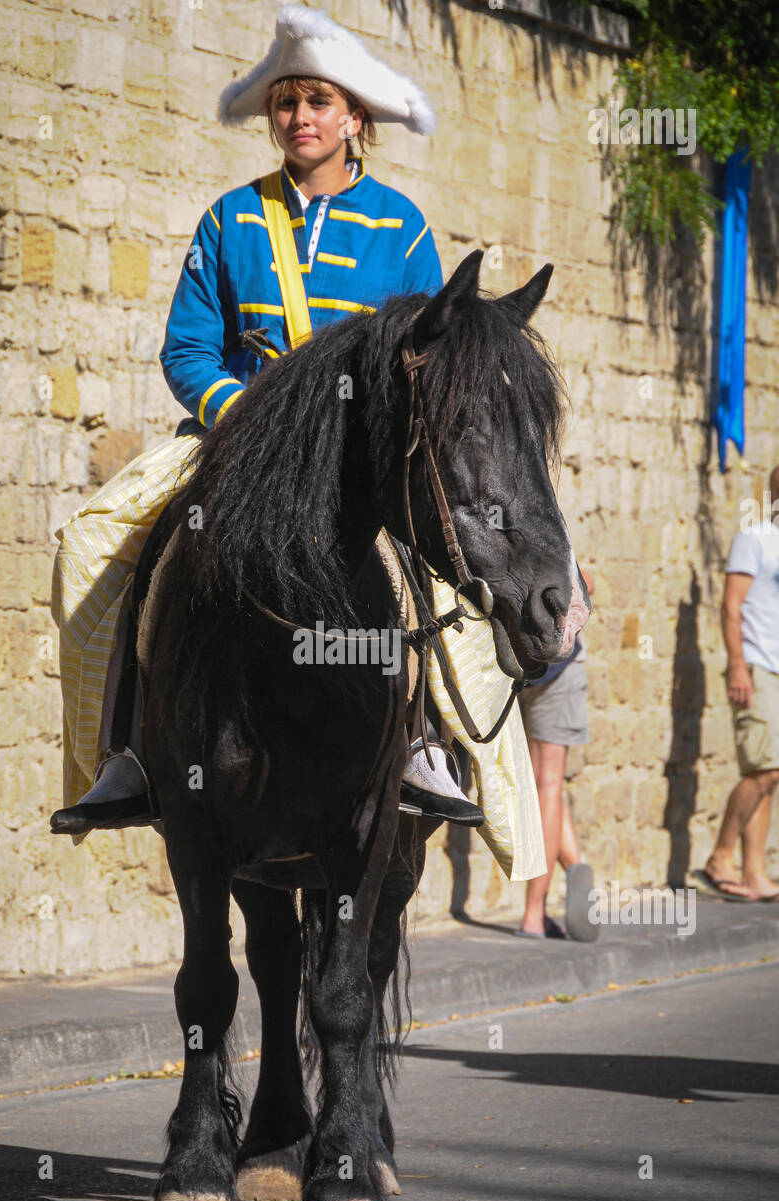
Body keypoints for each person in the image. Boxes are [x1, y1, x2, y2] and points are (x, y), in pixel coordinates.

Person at [49, 5, 484, 838]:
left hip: (355, 460)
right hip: (233, 442)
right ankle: (125, 753)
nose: (299, 118)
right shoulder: (229, 218)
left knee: (439, 562)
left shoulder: (404, 228)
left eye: (318, 102)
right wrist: (249, 417)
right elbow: (186, 351)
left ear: (355, 119)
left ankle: (427, 741)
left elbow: (430, 357)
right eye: (287, 103)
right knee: (97, 541)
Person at [700, 467, 779, 902]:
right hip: (757, 667)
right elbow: (732, 607)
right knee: (766, 769)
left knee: (765, 775)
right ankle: (721, 857)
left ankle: (755, 873)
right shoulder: (755, 539)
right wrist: (737, 666)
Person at [514, 567, 596, 938]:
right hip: (549, 666)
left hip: (528, 667)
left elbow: (584, 584)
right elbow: (586, 584)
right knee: (545, 785)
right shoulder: (541, 518)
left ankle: (537, 909)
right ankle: (568, 875)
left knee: (541, 785)